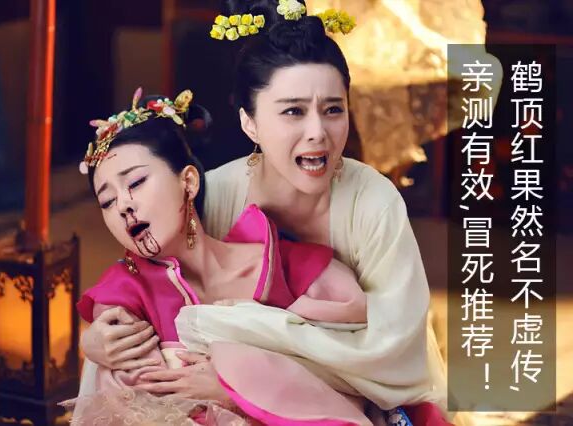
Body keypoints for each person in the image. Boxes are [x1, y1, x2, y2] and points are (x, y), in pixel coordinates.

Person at [80, 1, 451, 424]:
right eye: (293, 111)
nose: (318, 132)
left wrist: (243, 381)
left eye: (333, 109)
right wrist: (97, 342)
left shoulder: (373, 203)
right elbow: (151, 281)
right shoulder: (215, 192)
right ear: (250, 123)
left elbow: (393, 351)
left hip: (365, 389)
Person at [67, 87, 382, 424]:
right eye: (107, 201)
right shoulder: (123, 301)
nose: (123, 206)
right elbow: (131, 402)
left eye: (136, 182)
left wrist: (237, 389)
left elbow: (353, 375)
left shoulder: (289, 270)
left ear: (189, 182)